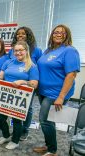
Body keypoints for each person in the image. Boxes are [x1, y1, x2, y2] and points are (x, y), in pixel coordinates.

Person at [33, 24, 80, 156]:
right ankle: (49, 145)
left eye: (62, 32)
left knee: (45, 120)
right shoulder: (48, 50)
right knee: (48, 120)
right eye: (56, 32)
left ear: (67, 35)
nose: (58, 34)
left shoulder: (69, 51)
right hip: (42, 91)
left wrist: (61, 96)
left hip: (55, 93)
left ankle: (52, 150)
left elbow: (71, 75)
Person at [0, 41, 39, 150]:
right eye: (16, 50)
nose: (18, 53)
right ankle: (6, 135)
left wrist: (23, 81)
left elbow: (34, 84)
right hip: (5, 95)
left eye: (20, 50)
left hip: (20, 97)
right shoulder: (9, 62)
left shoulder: (31, 66)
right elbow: (0, 77)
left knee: (17, 120)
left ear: (26, 51)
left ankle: (15, 141)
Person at [8, 26, 43, 141]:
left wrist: (30, 82)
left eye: (23, 34)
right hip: (12, 84)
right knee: (13, 107)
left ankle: (25, 130)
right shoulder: (12, 49)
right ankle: (16, 129)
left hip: (28, 84)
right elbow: (10, 63)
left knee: (27, 108)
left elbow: (39, 67)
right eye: (18, 34)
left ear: (28, 35)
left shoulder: (36, 50)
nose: (20, 35)